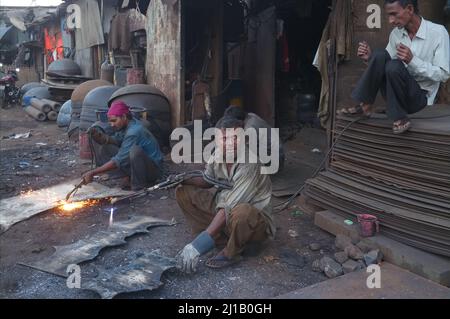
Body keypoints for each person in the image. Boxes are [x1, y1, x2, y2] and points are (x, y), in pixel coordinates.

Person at [175, 117, 275, 273]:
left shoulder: (250, 163)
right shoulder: (218, 154)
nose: (230, 143)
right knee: (184, 191)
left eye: (236, 138)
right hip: (227, 213)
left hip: (254, 224)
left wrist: (197, 247)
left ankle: (231, 253)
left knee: (243, 212)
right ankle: (217, 237)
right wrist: (184, 179)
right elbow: (208, 180)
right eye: (225, 138)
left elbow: (229, 206)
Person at [339, 0, 449, 134]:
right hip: (395, 95)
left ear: (409, 9)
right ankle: (366, 105)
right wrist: (370, 58)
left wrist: (413, 61)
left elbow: (443, 75)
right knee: (379, 54)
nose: (391, 20)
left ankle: (400, 117)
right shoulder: (396, 34)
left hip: (420, 98)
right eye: (389, 16)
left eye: (394, 14)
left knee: (394, 65)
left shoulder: (437, 32)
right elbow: (384, 65)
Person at [82, 100, 164, 190]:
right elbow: (115, 140)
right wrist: (98, 136)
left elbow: (119, 160)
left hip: (154, 171)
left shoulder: (134, 131)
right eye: (110, 122)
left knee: (135, 151)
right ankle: (128, 176)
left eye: (114, 121)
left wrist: (93, 172)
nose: (112, 125)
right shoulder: (128, 124)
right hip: (141, 165)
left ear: (124, 117)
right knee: (106, 146)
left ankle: (139, 186)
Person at [219, 105, 285, 171]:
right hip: (272, 152)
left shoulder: (249, 129)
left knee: (239, 153)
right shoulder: (249, 115)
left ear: (240, 121)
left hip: (276, 160)